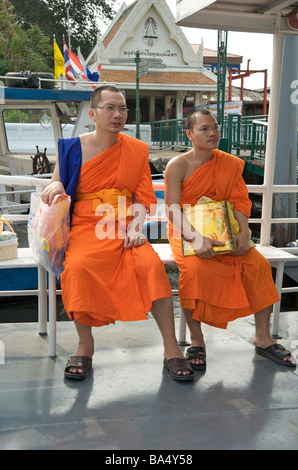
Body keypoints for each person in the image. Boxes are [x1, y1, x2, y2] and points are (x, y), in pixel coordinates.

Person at [41, 85, 193, 381]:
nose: (118, 114)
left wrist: (137, 227)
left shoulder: (136, 149)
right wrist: (55, 186)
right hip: (86, 226)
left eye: (122, 108)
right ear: (94, 113)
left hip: (125, 226)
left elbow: (142, 197)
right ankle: (85, 344)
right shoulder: (71, 147)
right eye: (110, 108)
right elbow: (58, 181)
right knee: (76, 268)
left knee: (151, 267)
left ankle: (171, 348)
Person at [164, 108, 295, 369]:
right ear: (190, 134)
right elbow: (171, 209)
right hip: (188, 232)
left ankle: (262, 336)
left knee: (257, 265)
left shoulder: (230, 163)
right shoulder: (177, 165)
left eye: (215, 127)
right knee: (195, 272)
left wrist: (244, 232)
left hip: (227, 231)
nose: (212, 133)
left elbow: (239, 201)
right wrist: (196, 237)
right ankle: (197, 340)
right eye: (204, 129)